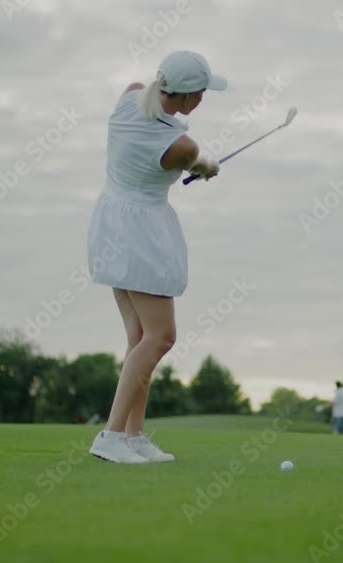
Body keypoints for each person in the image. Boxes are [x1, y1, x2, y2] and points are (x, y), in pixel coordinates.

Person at [86, 51, 227, 464]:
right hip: (141, 234)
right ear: (189, 96)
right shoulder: (182, 144)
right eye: (201, 93)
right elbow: (197, 160)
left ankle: (134, 436)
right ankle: (111, 435)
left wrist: (200, 166)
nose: (203, 99)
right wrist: (208, 168)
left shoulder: (130, 95)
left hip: (111, 222)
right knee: (162, 337)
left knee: (140, 338)